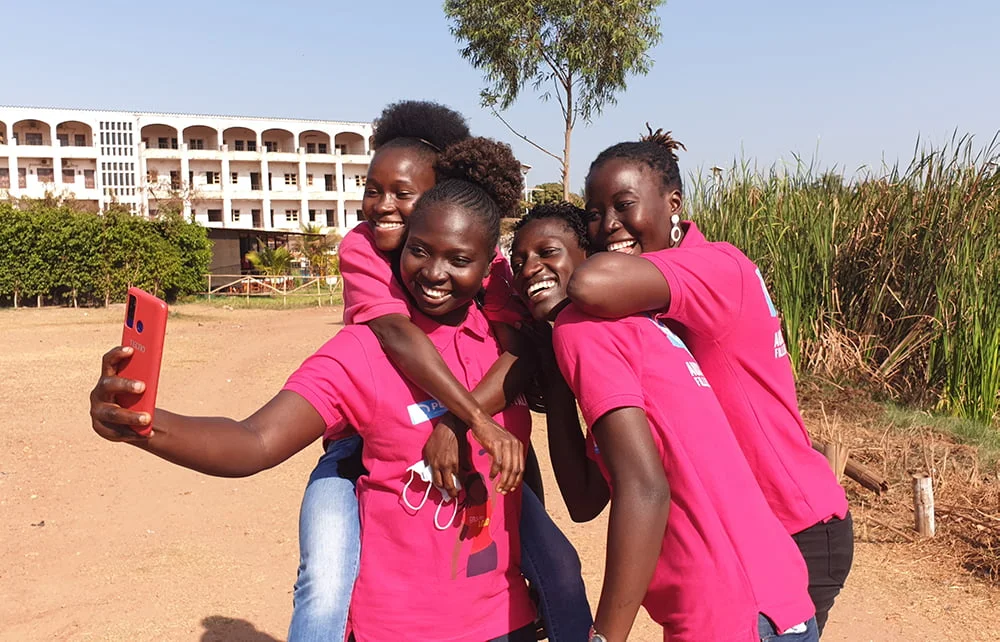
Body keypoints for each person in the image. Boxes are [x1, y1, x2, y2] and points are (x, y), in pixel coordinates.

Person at [90, 137, 544, 641]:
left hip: (507, 622)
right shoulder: (364, 349)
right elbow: (255, 440)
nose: (435, 273)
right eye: (419, 250)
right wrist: (146, 425)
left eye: (458, 259)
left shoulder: (508, 351)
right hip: (396, 628)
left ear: (488, 268)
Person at [299, 101, 589, 641]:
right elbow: (399, 337)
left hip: (466, 436)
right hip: (355, 449)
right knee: (325, 580)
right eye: (373, 188)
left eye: (404, 193)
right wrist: (473, 418)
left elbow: (518, 345)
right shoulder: (364, 249)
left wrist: (462, 424)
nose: (383, 205)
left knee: (558, 571)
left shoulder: (485, 260)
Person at [566, 128, 853, 635]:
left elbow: (588, 283)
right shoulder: (650, 297)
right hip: (746, 531)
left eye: (624, 205)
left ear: (673, 203)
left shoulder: (715, 267)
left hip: (792, 519)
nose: (609, 225)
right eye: (593, 212)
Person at [510, 203, 818, 642]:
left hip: (728, 616)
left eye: (547, 252)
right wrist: (554, 368)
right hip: (775, 604)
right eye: (518, 261)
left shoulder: (584, 328)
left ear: (587, 260)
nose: (529, 269)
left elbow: (645, 488)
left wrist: (605, 637)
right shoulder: (637, 326)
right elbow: (583, 501)